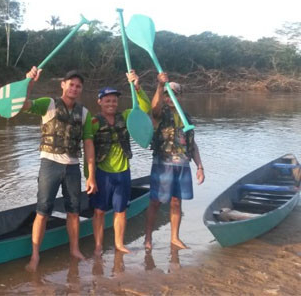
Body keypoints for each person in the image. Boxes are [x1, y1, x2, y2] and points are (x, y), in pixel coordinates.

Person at [19, 67, 97, 272]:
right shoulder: (49, 104)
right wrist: (29, 83)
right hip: (50, 165)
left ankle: (74, 250)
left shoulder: (85, 113)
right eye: (71, 84)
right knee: (43, 211)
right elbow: (23, 105)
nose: (74, 88)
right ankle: (35, 255)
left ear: (81, 90)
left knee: (74, 211)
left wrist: (91, 176)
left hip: (72, 167)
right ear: (63, 85)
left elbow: (88, 144)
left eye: (78, 86)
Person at [89, 70, 151, 255]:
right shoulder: (92, 121)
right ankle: (99, 245)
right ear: (99, 102)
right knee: (99, 211)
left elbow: (145, 108)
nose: (111, 103)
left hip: (123, 172)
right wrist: (89, 177)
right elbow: (88, 150)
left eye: (114, 100)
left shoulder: (125, 116)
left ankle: (119, 244)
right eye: (107, 100)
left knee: (121, 210)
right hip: (102, 173)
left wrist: (137, 87)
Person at [144, 72, 205, 250]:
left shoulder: (186, 116)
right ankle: (148, 238)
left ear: (180, 96)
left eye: (174, 95)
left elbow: (192, 144)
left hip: (182, 165)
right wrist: (159, 86)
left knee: (177, 202)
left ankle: (174, 238)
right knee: (155, 201)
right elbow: (154, 108)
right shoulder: (160, 113)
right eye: (167, 95)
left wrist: (200, 166)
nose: (170, 98)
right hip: (163, 164)